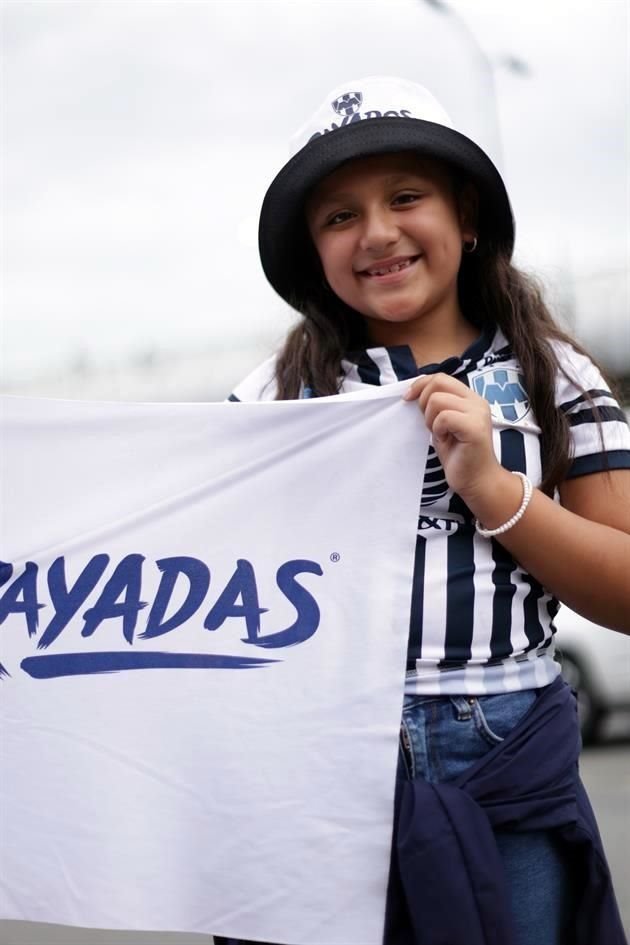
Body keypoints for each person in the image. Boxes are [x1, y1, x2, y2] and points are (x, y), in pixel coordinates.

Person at [216, 76, 630, 945]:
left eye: (406, 197)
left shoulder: (557, 378)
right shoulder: (267, 400)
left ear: (467, 215)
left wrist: (496, 491)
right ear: (313, 252)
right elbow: (216, 600)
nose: (376, 232)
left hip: (508, 763)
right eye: (338, 216)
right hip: (319, 774)